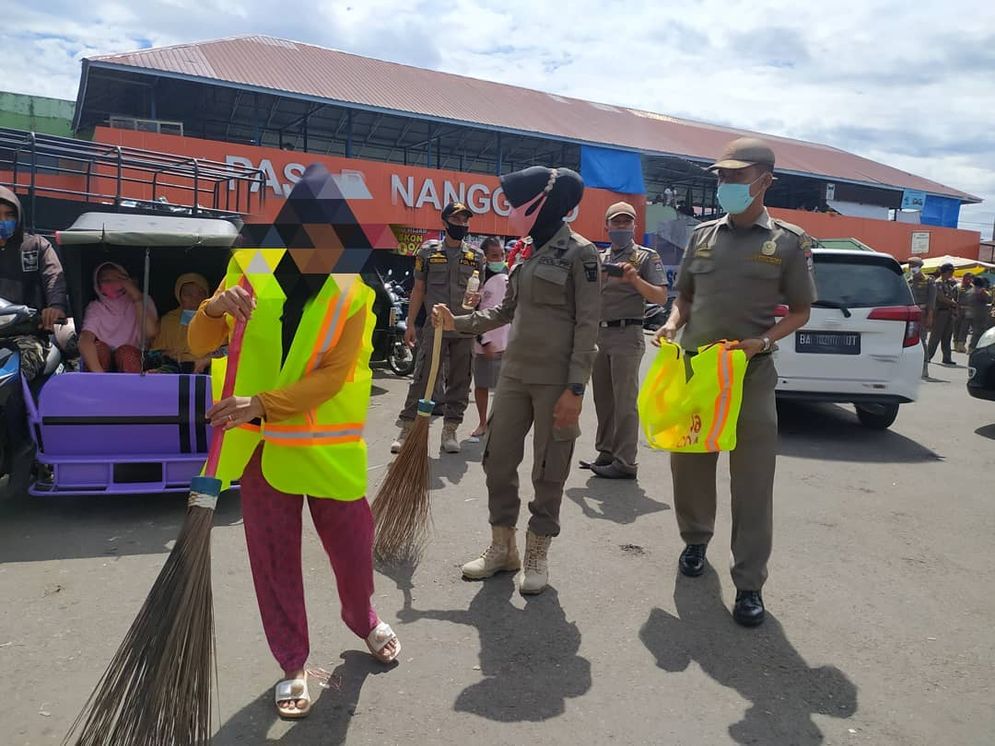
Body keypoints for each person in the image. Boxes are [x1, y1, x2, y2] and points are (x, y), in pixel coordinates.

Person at [187, 164, 400, 720]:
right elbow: (200, 341)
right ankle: (292, 662)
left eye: (330, 232)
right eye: (304, 228)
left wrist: (263, 403)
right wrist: (214, 310)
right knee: (273, 559)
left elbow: (334, 373)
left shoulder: (354, 288)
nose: (316, 243)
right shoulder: (249, 266)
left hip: (324, 446)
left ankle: (364, 618)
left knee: (353, 550)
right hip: (259, 450)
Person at [653, 138, 815, 627]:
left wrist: (761, 343)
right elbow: (685, 297)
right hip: (697, 372)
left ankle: (749, 583)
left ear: (765, 180)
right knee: (691, 465)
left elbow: (802, 311)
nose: (725, 184)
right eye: (721, 176)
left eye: (736, 177)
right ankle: (695, 540)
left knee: (752, 483)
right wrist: (671, 322)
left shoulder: (788, 241)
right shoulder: (702, 236)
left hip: (751, 375)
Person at [434, 166, 601, 596]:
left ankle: (536, 553)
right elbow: (505, 310)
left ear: (541, 203)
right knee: (497, 460)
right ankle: (502, 548)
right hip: (514, 375)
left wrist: (576, 389)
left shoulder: (581, 254)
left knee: (549, 469)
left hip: (556, 382)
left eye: (513, 204)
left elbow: (588, 326)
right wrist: (461, 321)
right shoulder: (523, 251)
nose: (508, 212)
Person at [391, 202, 486, 454]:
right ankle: (407, 428)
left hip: (464, 327)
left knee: (460, 379)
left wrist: (478, 299)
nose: (462, 225)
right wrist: (410, 323)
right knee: (422, 377)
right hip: (435, 327)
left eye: (465, 220)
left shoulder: (476, 256)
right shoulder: (428, 252)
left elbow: (479, 292)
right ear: (445, 223)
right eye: (456, 220)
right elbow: (419, 290)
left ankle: (450, 429)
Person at [583, 201, 668, 480]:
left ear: (634, 226)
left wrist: (634, 281)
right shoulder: (598, 257)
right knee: (603, 399)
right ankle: (606, 451)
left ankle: (625, 461)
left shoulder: (645, 257)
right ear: (606, 226)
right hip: (600, 334)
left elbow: (660, 297)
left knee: (625, 402)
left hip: (627, 334)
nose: (621, 227)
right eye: (616, 222)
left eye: (626, 222)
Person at [0, 187, 69, 380]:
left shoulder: (36, 246)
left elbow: (54, 277)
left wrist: (55, 307)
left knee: (14, 375)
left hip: (27, 336)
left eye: (9, 215)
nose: (3, 221)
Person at [78, 262, 159, 373]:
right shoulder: (96, 307)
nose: (113, 283)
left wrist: (137, 298)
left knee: (125, 353)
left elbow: (151, 333)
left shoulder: (143, 300)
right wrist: (99, 375)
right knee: (99, 349)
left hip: (135, 358)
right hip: (103, 366)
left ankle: (132, 389)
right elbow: (85, 340)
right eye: (106, 280)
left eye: (119, 278)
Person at [467, 236, 510, 441]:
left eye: (501, 254)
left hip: (508, 342)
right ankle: (483, 423)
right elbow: (473, 313)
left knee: (506, 389)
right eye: (494, 256)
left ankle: (498, 425)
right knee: (482, 385)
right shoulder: (477, 279)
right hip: (486, 343)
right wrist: (483, 339)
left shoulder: (509, 275)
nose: (499, 259)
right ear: (484, 258)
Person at [150, 272, 215, 373]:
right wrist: (168, 354)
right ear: (179, 296)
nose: (194, 299)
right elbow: (155, 351)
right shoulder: (169, 320)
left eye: (200, 293)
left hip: (203, 368)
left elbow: (226, 351)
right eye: (188, 294)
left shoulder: (215, 319)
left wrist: (208, 359)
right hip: (173, 367)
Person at [906, 257, 935, 379]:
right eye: (910, 266)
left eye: (914, 265)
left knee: (922, 340)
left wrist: (930, 316)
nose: (911, 268)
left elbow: (931, 301)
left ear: (920, 266)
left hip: (922, 314)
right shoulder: (909, 280)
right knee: (909, 341)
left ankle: (924, 367)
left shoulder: (929, 281)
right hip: (911, 314)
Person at [926, 263, 957, 366]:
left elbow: (951, 295)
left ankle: (947, 357)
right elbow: (940, 298)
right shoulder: (938, 283)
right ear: (945, 272)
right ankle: (928, 356)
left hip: (948, 312)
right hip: (940, 312)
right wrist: (953, 303)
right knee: (936, 336)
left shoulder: (948, 283)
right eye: (950, 272)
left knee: (947, 336)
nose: (952, 273)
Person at [963, 276, 992, 352]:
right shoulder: (980, 291)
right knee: (978, 332)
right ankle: (973, 348)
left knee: (975, 331)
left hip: (972, 313)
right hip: (980, 314)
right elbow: (988, 299)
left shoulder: (970, 290)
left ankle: (971, 347)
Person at [954, 272, 974, 353]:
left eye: (970, 278)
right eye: (967, 278)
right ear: (964, 278)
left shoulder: (973, 288)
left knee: (965, 328)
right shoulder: (958, 287)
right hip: (958, 309)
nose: (969, 280)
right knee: (956, 327)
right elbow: (953, 297)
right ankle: (956, 343)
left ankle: (961, 344)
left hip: (968, 310)